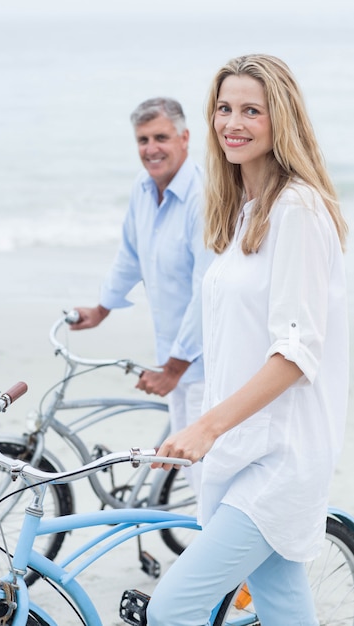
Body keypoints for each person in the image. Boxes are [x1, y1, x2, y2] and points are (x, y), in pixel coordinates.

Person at [146, 54, 349, 626]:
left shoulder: (300, 210)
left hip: (281, 456)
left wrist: (205, 427)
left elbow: (296, 351)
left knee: (172, 609)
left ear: (279, 120)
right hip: (242, 451)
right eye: (224, 107)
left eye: (251, 110)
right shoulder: (246, 213)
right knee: (284, 607)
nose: (232, 122)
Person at [70, 97, 214, 493]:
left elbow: (207, 291)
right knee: (187, 466)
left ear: (185, 139)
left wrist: (172, 369)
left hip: (208, 361)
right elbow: (130, 256)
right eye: (143, 139)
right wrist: (101, 310)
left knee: (208, 473)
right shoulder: (143, 188)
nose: (151, 149)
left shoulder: (204, 198)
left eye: (161, 137)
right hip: (172, 353)